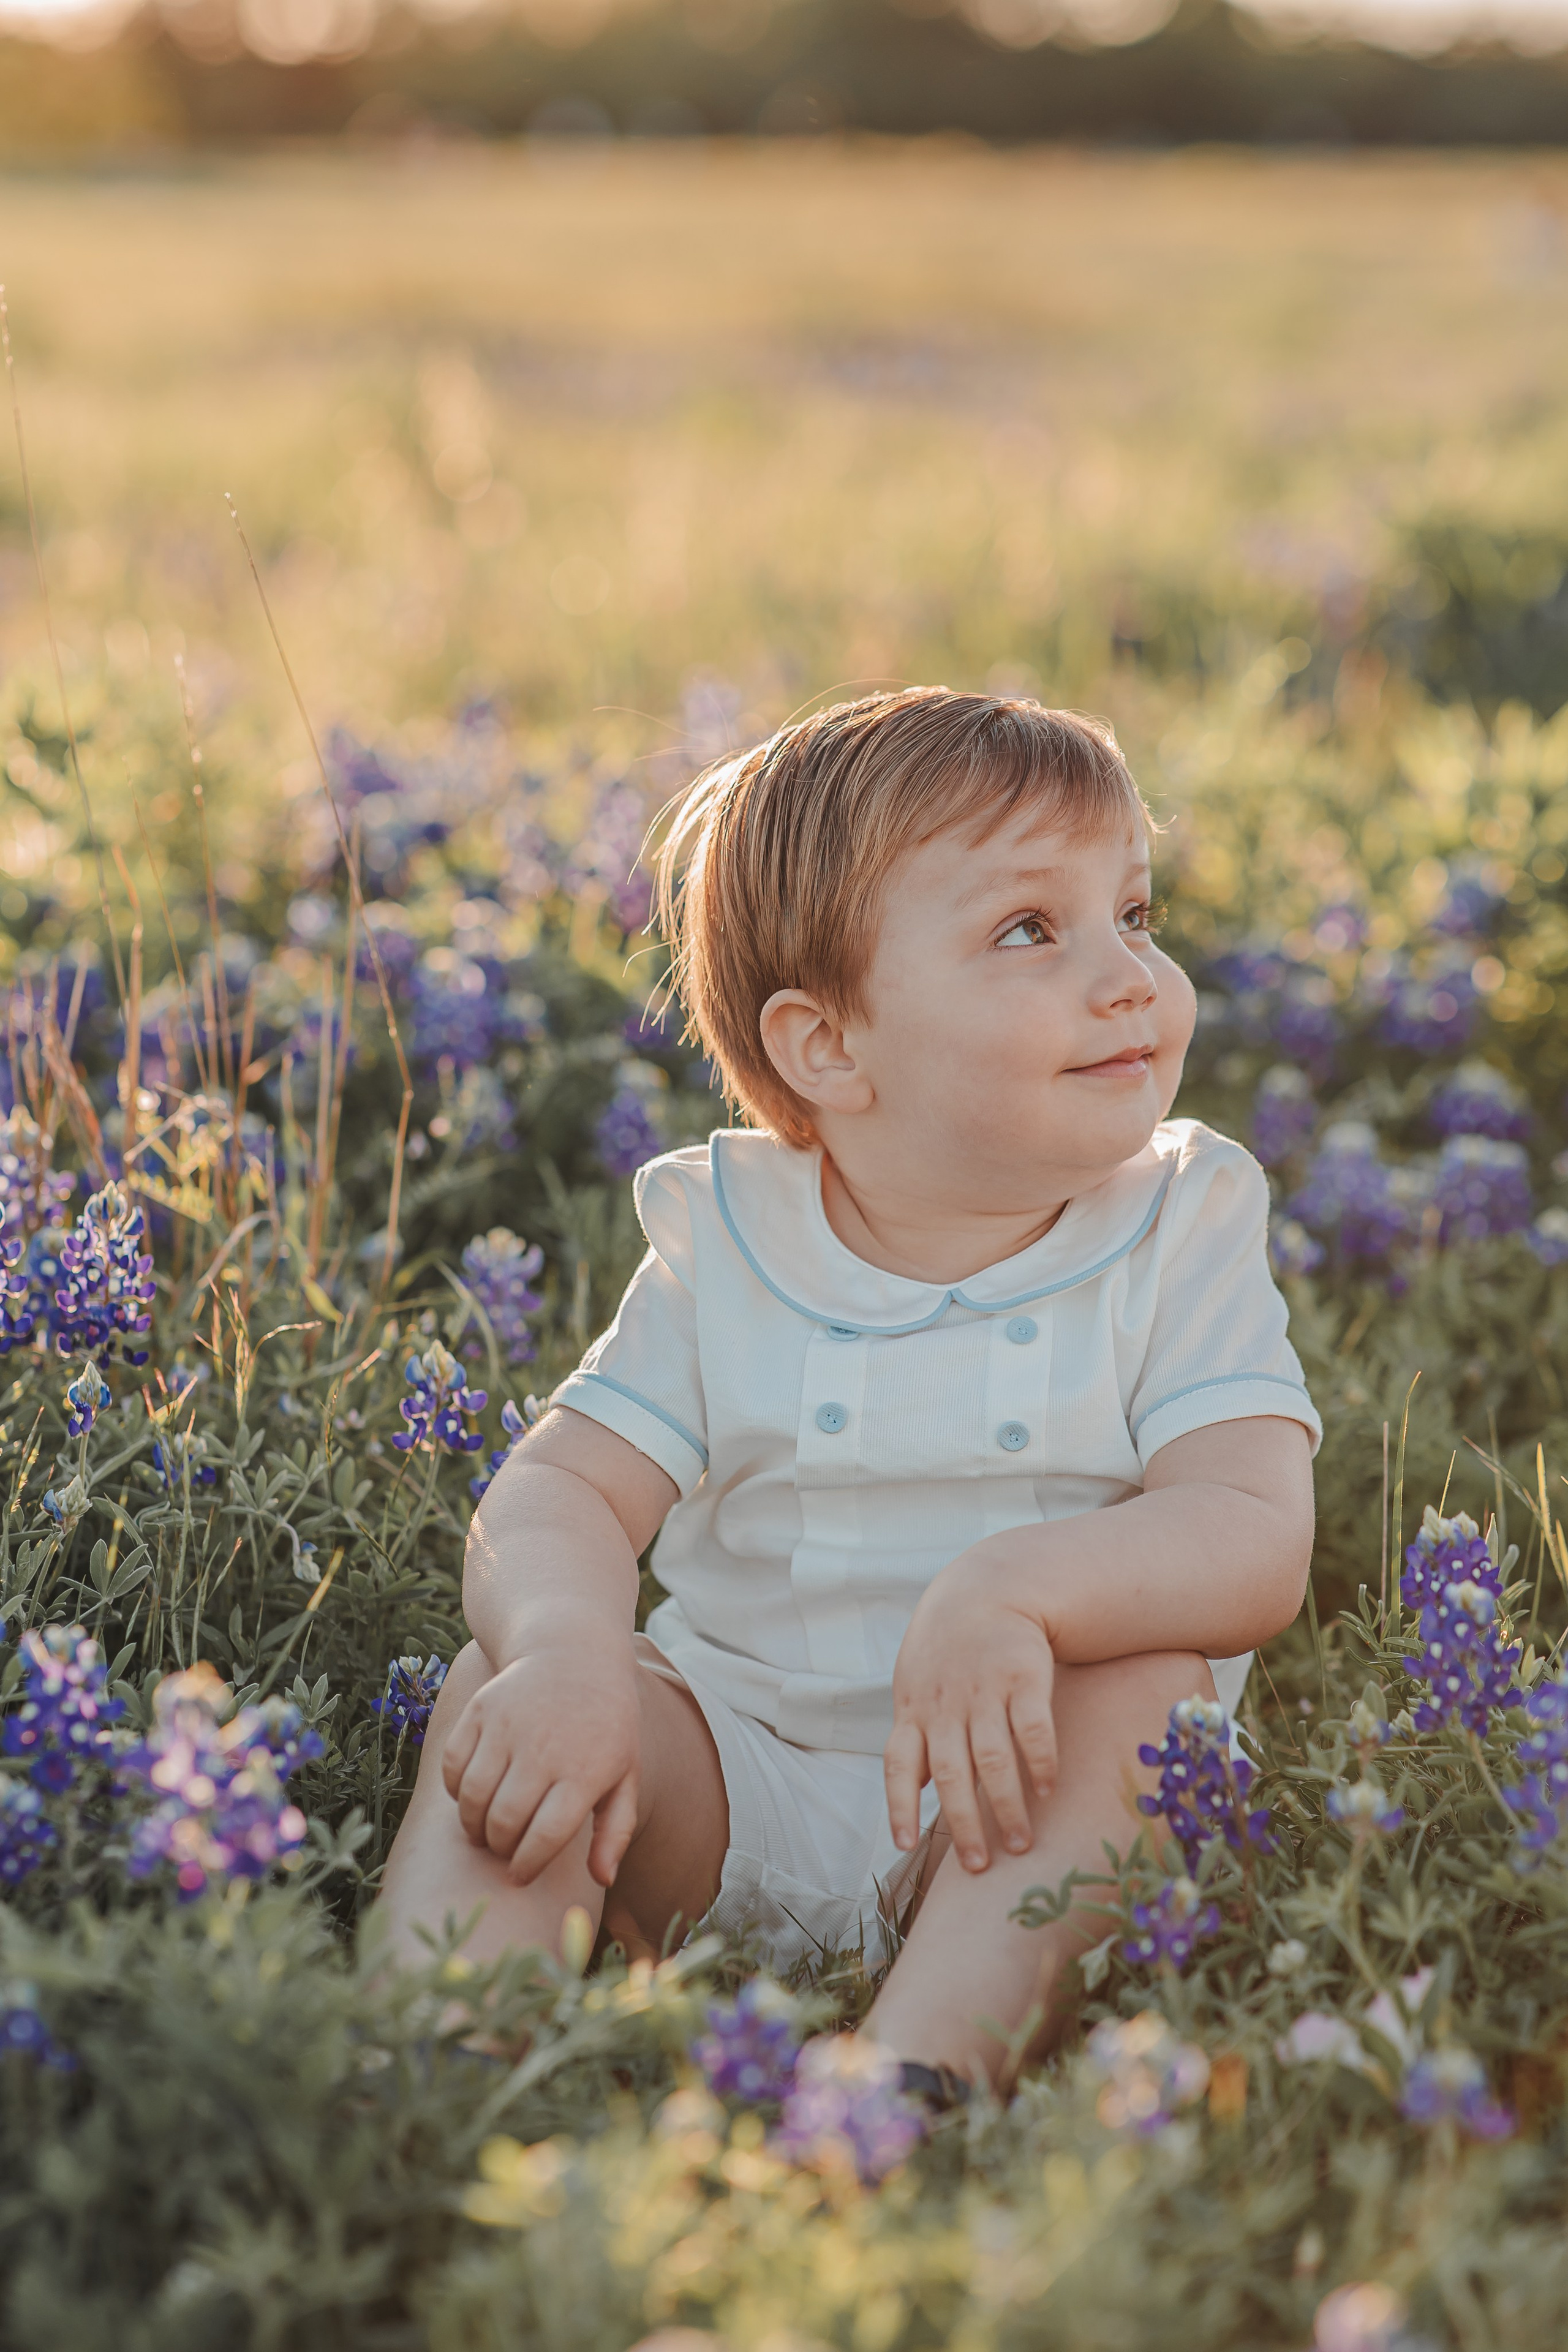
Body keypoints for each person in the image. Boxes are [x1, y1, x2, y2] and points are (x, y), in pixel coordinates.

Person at [377, 687, 1317, 2096]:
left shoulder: (1181, 1220)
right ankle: (421, 2064)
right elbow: (561, 1484)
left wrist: (1015, 1590)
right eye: (1028, 930)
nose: (1129, 976)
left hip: (1022, 1805)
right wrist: (567, 1652)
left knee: (1153, 1696)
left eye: (1135, 915)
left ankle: (911, 2081)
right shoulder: (729, 1243)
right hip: (735, 1781)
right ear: (828, 1048)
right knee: (508, 1696)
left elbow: (1249, 1533)